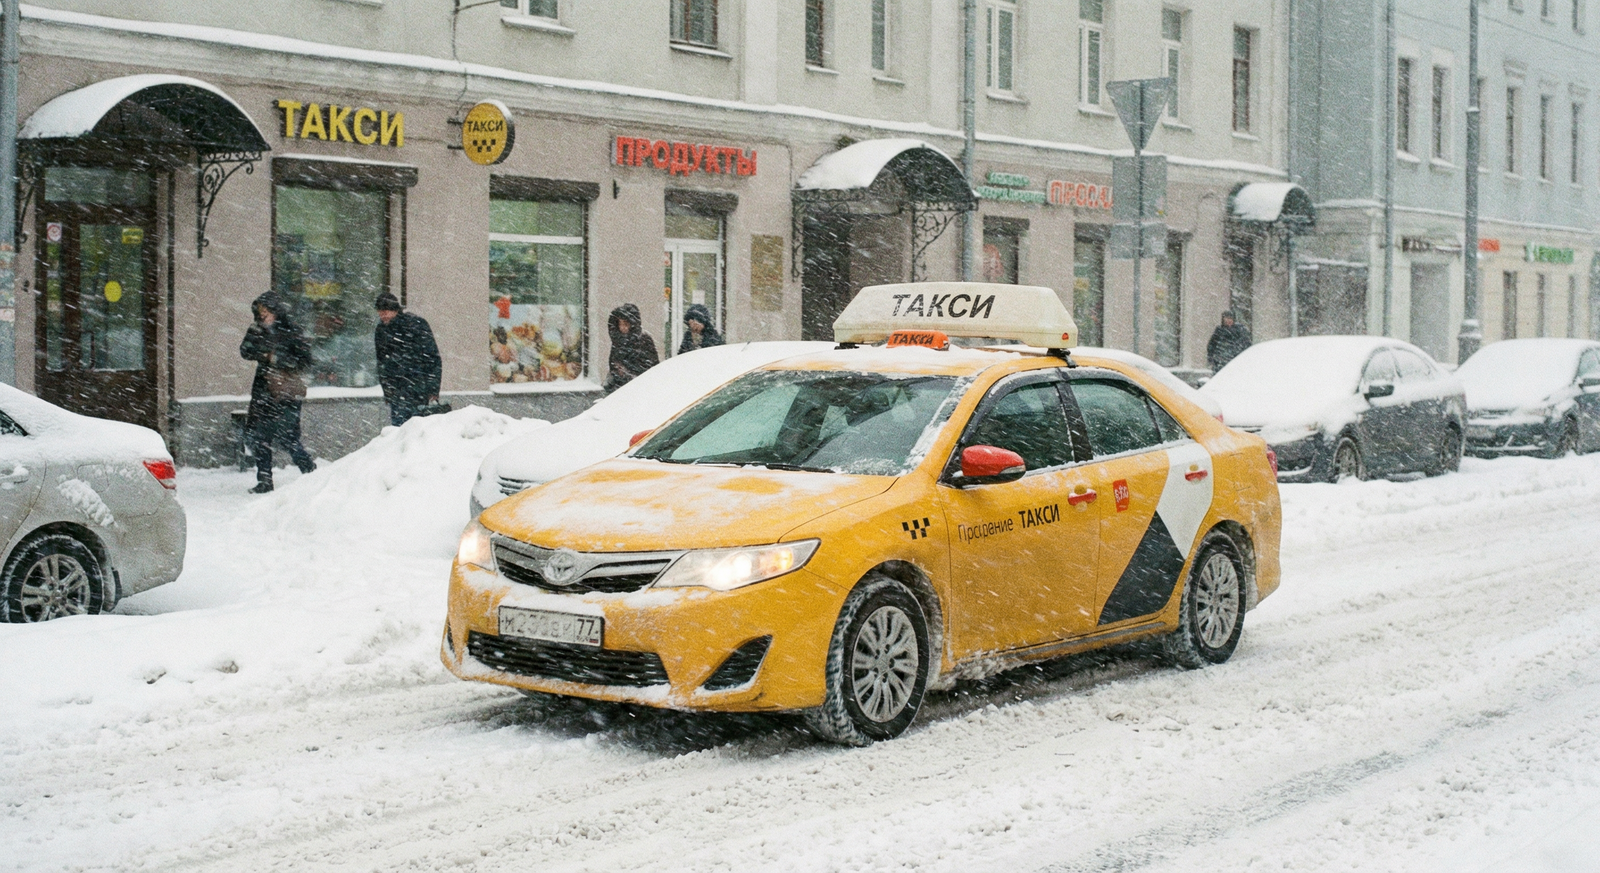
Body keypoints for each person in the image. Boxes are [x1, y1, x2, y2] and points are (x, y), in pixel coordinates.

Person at [240, 292, 316, 494]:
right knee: (260, 437)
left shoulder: (292, 331)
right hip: (263, 391)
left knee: (288, 437)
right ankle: (265, 480)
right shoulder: (257, 329)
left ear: (276, 311)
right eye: (260, 311)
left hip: (286, 392)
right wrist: (264, 353)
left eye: (266, 311)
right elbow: (245, 351)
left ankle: (311, 473)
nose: (263, 315)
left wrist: (278, 359)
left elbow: (305, 360)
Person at [373, 291, 442, 426]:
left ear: (394, 310)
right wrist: (387, 390)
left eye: (385, 311)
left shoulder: (414, 325)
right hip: (404, 387)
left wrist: (433, 388)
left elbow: (432, 358)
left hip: (415, 387)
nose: (382, 315)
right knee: (407, 428)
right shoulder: (383, 330)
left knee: (409, 428)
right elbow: (381, 361)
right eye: (380, 312)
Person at [605, 303, 659, 393]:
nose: (623, 327)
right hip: (620, 390)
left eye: (626, 324)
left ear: (632, 324)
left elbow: (650, 367)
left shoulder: (644, 340)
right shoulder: (618, 341)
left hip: (641, 389)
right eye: (620, 324)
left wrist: (627, 372)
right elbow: (613, 364)